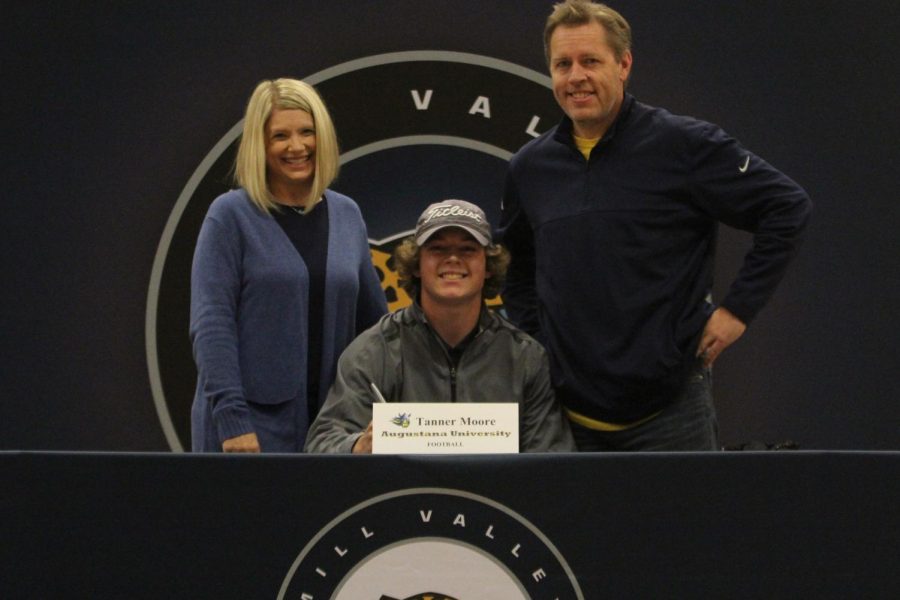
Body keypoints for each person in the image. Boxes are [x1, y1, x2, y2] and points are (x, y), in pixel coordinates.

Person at [498, 1, 812, 451]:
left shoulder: (683, 145)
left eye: (591, 61)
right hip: (564, 420)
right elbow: (515, 266)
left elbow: (787, 206)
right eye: (562, 64)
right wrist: (540, 344)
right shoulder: (529, 168)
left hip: (673, 414)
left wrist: (737, 311)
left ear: (623, 64)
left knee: (686, 525)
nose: (575, 78)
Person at [190, 78, 387, 453]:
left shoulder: (347, 215)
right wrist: (233, 422)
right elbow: (211, 325)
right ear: (259, 146)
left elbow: (375, 330)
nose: (297, 147)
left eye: (307, 132)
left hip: (333, 429)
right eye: (280, 136)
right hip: (249, 432)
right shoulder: (229, 216)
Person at [304, 200, 575, 453]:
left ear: (489, 266)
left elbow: (552, 461)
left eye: (468, 249)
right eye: (438, 249)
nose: (453, 259)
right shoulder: (374, 350)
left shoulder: (526, 358)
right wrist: (357, 446)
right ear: (417, 265)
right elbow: (322, 441)